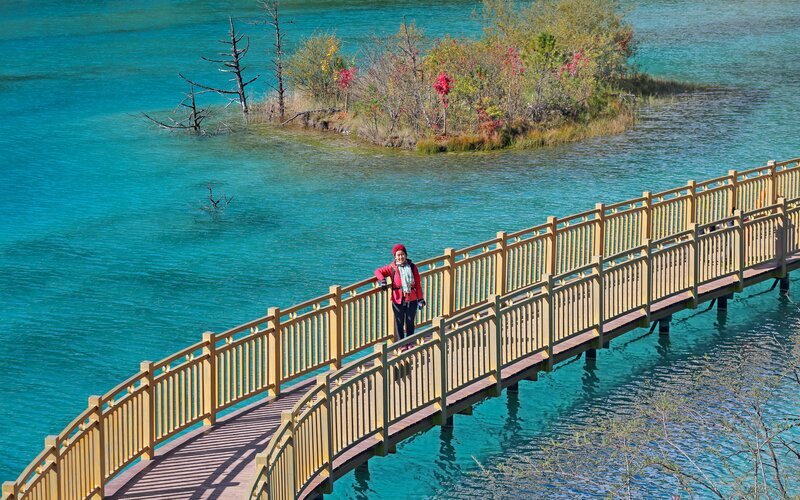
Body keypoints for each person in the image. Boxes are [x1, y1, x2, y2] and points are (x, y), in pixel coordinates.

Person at [374, 244, 426, 344]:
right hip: (397, 299)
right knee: (399, 322)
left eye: (402, 254)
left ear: (406, 255)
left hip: (412, 298)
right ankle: (401, 344)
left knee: (410, 322)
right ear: (395, 257)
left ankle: (409, 343)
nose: (400, 257)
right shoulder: (392, 267)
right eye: (398, 255)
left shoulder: (412, 267)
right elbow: (377, 271)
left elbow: (418, 285)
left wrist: (420, 299)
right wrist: (382, 280)